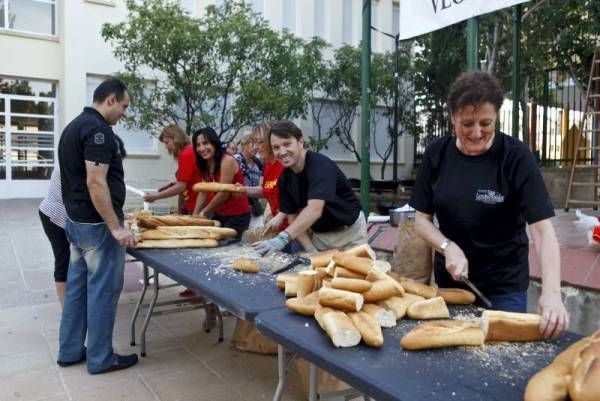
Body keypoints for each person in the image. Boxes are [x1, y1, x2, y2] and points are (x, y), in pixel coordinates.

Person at [409, 71, 569, 338]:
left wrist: (552, 293)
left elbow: (543, 231)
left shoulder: (516, 157)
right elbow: (421, 221)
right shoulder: (437, 155)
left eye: (486, 123)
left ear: (496, 117)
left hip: (505, 289)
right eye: (467, 123)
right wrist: (447, 247)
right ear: (452, 117)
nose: (476, 132)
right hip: (453, 287)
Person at [57, 77, 139, 374]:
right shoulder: (98, 131)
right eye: (124, 106)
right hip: (96, 227)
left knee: (77, 289)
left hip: (76, 222)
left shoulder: (74, 126)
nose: (124, 113)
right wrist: (115, 227)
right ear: (111, 100)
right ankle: (102, 358)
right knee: (103, 291)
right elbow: (95, 181)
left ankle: (69, 351)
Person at [253, 120, 367, 255]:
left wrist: (282, 238)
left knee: (355, 276)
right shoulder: (284, 178)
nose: (282, 152)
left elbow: (315, 209)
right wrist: (310, 249)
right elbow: (292, 217)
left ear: (300, 142)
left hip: (350, 234)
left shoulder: (320, 165)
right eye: (276, 148)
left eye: (287, 144)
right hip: (320, 237)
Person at [192, 127, 251, 236]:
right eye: (198, 145)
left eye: (205, 143)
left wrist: (204, 212)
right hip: (220, 213)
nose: (202, 148)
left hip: (237, 215)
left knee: (226, 250)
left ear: (214, 143)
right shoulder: (206, 163)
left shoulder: (226, 160)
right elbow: (203, 191)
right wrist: (194, 216)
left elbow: (224, 193)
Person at [143, 124, 201, 214]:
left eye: (167, 142)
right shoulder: (188, 151)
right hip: (193, 204)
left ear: (176, 139)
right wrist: (173, 184)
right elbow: (191, 179)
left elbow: (181, 186)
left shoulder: (186, 154)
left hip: (197, 206)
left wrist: (155, 196)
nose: (166, 147)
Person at [39, 166, 69, 308]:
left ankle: (73, 302)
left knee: (70, 259)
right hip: (54, 214)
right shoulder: (74, 159)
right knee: (63, 258)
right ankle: (66, 308)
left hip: (59, 213)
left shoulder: (72, 154)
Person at [233, 132, 264, 228]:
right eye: (253, 144)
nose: (256, 147)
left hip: (254, 205)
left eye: (258, 144)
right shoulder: (236, 160)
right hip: (239, 206)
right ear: (244, 145)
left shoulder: (257, 162)